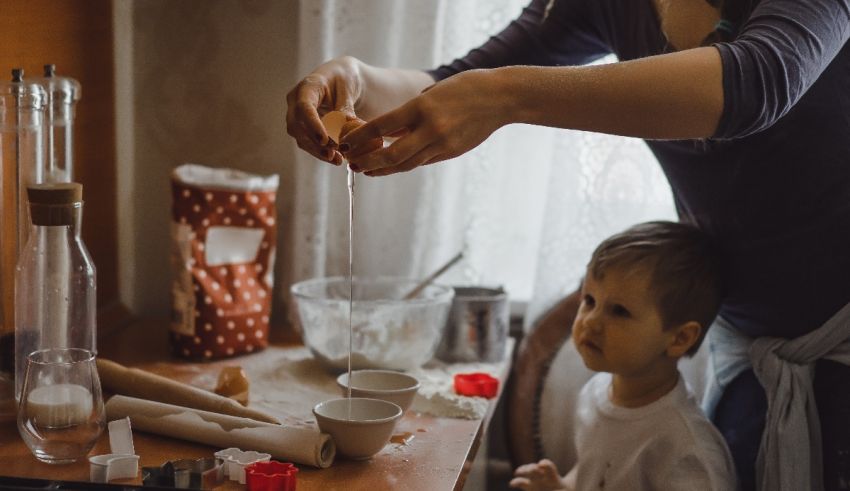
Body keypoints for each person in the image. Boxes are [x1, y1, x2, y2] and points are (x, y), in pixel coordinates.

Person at [286, 0, 850, 488]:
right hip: (751, 348)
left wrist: (506, 95)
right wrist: (358, 79)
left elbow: (754, 81)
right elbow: (457, 79)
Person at [509, 221, 737, 490]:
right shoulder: (595, 394)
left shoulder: (683, 450)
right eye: (590, 300)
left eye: (619, 311)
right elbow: (593, 477)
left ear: (680, 339)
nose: (590, 322)